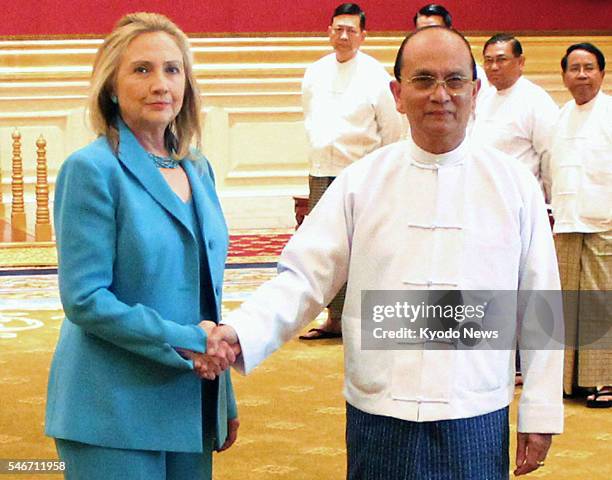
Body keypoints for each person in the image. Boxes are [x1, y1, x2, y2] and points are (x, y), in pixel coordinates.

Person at [209, 26, 564, 479]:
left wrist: (540, 410)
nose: (441, 95)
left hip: (474, 404)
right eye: (423, 80)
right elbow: (303, 278)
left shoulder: (514, 185)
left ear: (475, 91)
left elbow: (540, 303)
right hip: (380, 408)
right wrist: (241, 330)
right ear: (397, 94)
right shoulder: (361, 181)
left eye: (455, 81)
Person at [45, 12, 239, 479]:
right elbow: (85, 300)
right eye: (142, 69)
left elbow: (207, 292)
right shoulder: (92, 170)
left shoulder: (198, 168)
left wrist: (222, 395)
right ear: (111, 85)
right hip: (111, 409)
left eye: (173, 70)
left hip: (191, 400)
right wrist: (193, 341)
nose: (161, 84)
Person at [299, 2, 404, 340]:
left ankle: (363, 317)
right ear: (329, 31)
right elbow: (310, 117)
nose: (343, 36)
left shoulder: (376, 76)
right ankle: (333, 318)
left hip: (361, 175)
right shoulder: (314, 72)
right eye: (338, 28)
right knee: (325, 247)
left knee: (362, 248)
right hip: (321, 170)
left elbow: (392, 131)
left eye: (351, 30)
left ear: (363, 35)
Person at [549, 42, 611, 408]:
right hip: (568, 218)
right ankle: (569, 379)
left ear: (602, 73)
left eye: (589, 67)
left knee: (599, 303)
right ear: (564, 75)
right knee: (566, 304)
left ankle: (604, 379)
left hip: (605, 220)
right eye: (575, 68)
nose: (582, 75)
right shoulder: (560, 116)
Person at [472, 34, 558, 201]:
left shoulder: (536, 100)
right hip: (486, 195)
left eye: (501, 59)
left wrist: (549, 201)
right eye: (488, 61)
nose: (494, 67)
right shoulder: (486, 99)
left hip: (521, 197)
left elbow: (550, 155)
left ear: (520, 62)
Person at [411, 3, 490, 94]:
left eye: (435, 30)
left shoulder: (467, 68)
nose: (428, 36)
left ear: (449, 31)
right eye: (421, 31)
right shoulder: (410, 66)